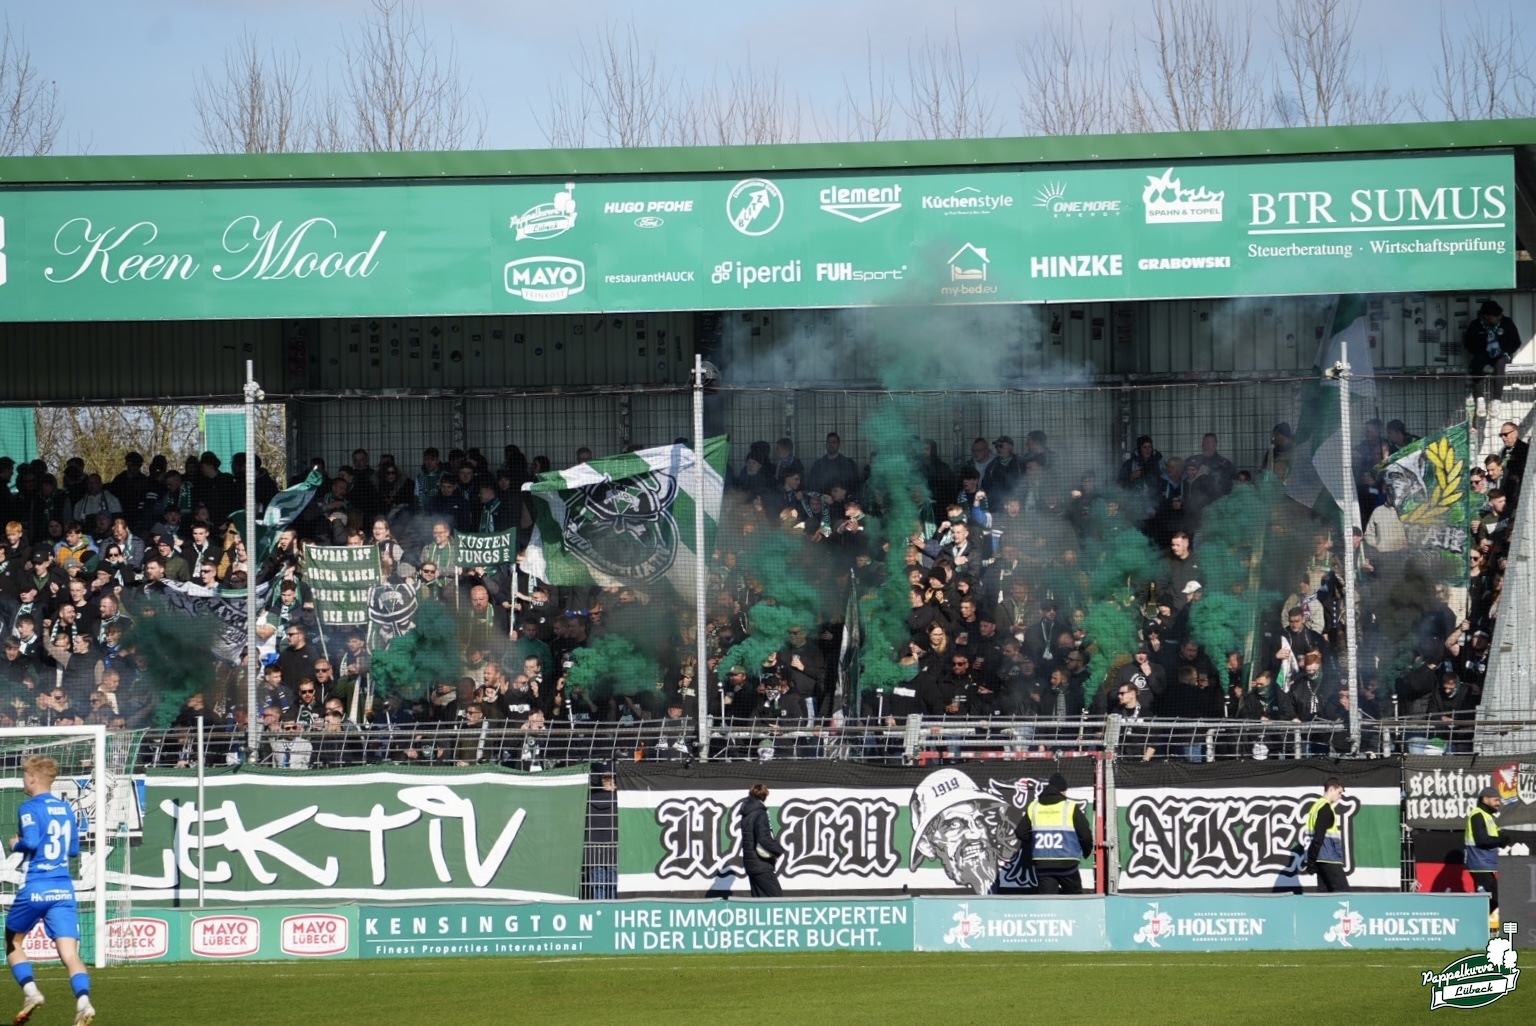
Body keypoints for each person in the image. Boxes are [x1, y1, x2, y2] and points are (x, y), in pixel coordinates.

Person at [5, 755, 95, 1026]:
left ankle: (31, 992)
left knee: (13, 941)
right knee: (70, 953)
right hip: (63, 889)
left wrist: (16, 844)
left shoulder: (29, 807)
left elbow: (31, 840)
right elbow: (74, 850)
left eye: (25, 776)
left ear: (32, 778)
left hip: (37, 886)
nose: (24, 780)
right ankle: (84, 1002)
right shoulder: (66, 809)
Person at [1016, 772, 1093, 894]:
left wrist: (1034, 840)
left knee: (1048, 904)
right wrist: (1087, 851)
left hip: (1043, 863)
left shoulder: (1034, 806)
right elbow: (1085, 835)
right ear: (1062, 791)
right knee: (1076, 901)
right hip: (1067, 864)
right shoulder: (1070, 807)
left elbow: (1020, 832)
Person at [1464, 785, 1503, 930]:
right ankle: (1475, 928)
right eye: (1495, 800)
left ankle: (1481, 927)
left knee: (1494, 898)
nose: (1498, 803)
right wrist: (1501, 840)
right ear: (1485, 799)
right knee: (1485, 900)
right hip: (1479, 864)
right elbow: (1482, 840)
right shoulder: (1478, 815)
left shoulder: (1487, 816)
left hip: (1486, 864)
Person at [738, 782, 784, 897]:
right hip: (761, 864)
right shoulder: (760, 813)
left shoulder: (746, 813)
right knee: (777, 899)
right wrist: (778, 850)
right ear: (764, 796)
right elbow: (763, 838)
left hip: (750, 864)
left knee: (758, 901)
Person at [1303, 777, 1349, 892]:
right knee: (1343, 892)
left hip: (1320, 858)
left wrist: (1312, 860)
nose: (1340, 796)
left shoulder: (1316, 806)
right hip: (1328, 858)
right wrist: (1311, 861)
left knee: (1324, 894)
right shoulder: (1325, 808)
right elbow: (1319, 836)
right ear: (1331, 789)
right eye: (1339, 792)